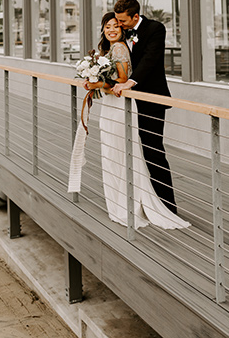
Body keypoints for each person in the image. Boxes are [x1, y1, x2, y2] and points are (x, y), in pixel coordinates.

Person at [71, 11, 189, 230]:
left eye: (117, 25)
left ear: (127, 23)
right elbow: (115, 82)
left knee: (130, 152)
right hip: (115, 106)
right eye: (108, 26)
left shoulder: (121, 46)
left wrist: (97, 84)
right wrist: (95, 78)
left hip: (128, 105)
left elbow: (122, 80)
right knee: (120, 153)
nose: (113, 29)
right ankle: (132, 202)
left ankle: (146, 205)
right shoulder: (111, 49)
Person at [112, 0, 178, 215]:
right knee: (129, 150)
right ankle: (140, 200)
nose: (119, 24)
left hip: (151, 99)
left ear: (136, 16)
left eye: (122, 21)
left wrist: (131, 83)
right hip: (125, 101)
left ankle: (167, 206)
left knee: (153, 151)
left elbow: (151, 59)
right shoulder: (121, 31)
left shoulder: (156, 29)